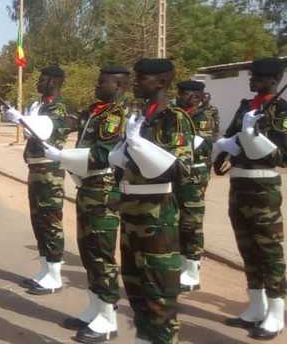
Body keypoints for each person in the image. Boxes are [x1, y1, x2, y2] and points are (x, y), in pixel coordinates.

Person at [109, 58, 194, 344]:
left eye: (141, 78)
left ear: (161, 81)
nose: (135, 83)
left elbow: (180, 170)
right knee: (136, 292)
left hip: (158, 217)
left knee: (160, 297)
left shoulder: (175, 117)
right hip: (132, 212)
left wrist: (139, 145)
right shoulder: (140, 116)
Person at [42, 65, 130, 343]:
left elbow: (102, 154)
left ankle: (107, 318)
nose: (96, 85)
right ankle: (94, 308)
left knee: (101, 254)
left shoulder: (116, 114)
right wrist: (29, 122)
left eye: (102, 82)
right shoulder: (96, 110)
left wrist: (62, 156)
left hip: (103, 190)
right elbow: (67, 123)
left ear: (118, 86)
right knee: (88, 251)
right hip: (88, 188)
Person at [219, 57, 286, 340]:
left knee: (268, 250)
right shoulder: (247, 106)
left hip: (263, 185)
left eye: (257, 78)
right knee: (247, 246)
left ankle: (276, 311)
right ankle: (256, 306)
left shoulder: (281, 109)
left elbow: (281, 154)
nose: (252, 81)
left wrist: (253, 138)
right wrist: (223, 152)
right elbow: (230, 135)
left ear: (273, 80)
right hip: (239, 183)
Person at [14, 65, 71, 296]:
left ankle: (55, 275)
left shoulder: (58, 108)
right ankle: (45, 269)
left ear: (54, 82)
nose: (38, 82)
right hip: (36, 169)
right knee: (38, 221)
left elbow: (44, 133)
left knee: (50, 223)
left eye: (43, 79)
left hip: (49, 172)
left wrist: (24, 120)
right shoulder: (42, 105)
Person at [173, 80, 214, 292]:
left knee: (191, 221)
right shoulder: (175, 114)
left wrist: (177, 139)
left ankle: (192, 269)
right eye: (180, 93)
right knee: (177, 220)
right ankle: (182, 265)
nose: (179, 96)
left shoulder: (202, 116)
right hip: (177, 173)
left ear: (197, 96)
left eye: (184, 93)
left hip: (195, 175)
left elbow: (203, 145)